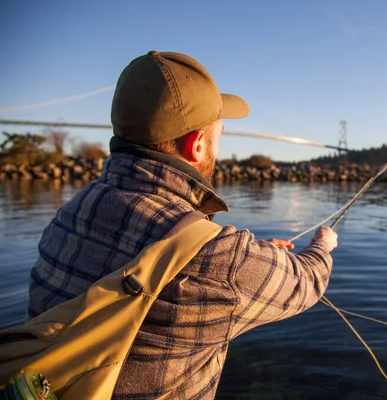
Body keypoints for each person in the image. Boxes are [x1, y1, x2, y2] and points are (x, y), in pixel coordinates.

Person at [28, 51, 338, 399]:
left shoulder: (69, 214)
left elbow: (196, 267)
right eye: (220, 133)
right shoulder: (220, 259)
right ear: (198, 143)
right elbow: (306, 281)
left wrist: (253, 256)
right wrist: (322, 245)